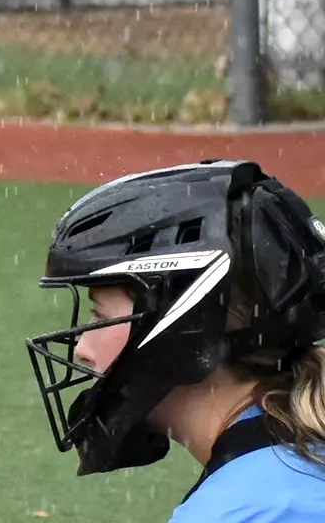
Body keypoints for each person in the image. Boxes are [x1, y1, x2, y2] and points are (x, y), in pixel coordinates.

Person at [28, 159, 325, 521]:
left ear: (187, 327)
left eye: (101, 316)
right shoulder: (287, 464)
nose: (82, 349)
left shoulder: (249, 508)